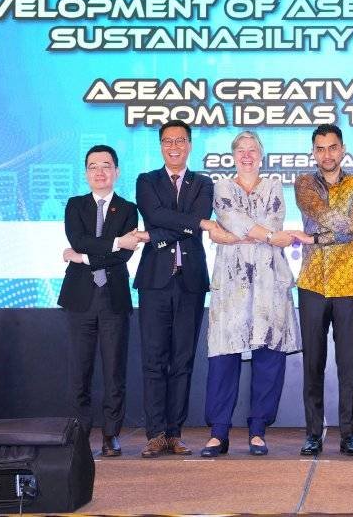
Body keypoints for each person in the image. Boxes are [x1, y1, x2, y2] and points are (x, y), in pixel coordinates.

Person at [199, 131, 301, 457]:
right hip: (232, 282)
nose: (246, 155)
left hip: (270, 280)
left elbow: (272, 219)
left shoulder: (274, 185)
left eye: (252, 150)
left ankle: (258, 430)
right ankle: (218, 433)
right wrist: (268, 236)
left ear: (261, 155)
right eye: (241, 150)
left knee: (268, 355)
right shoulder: (221, 187)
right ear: (233, 156)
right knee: (223, 356)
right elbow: (232, 219)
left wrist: (239, 234)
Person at [134, 120, 215, 457]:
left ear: (190, 145)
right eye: (168, 141)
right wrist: (192, 224)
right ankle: (155, 434)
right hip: (155, 281)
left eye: (180, 140)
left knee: (183, 360)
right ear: (161, 146)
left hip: (190, 282)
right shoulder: (146, 181)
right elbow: (157, 214)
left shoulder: (204, 183)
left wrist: (153, 234)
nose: (174, 146)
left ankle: (174, 433)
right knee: (154, 360)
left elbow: (189, 218)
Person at [59, 144, 145, 457]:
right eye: (93, 166)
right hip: (79, 299)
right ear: (86, 173)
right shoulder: (75, 205)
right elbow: (78, 239)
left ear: (116, 172)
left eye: (106, 165)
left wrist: (82, 258)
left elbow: (123, 255)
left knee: (114, 372)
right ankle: (79, 434)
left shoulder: (128, 209)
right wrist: (115, 241)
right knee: (79, 372)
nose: (99, 172)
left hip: (114, 300)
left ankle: (111, 435)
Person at [289, 124, 353, 457]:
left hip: (349, 283)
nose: (327, 154)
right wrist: (348, 224)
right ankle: (313, 434)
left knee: (348, 364)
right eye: (320, 148)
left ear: (342, 149)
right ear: (313, 152)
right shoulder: (304, 183)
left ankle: (349, 435)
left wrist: (314, 238)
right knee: (313, 363)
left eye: (332, 147)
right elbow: (339, 220)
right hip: (312, 283)